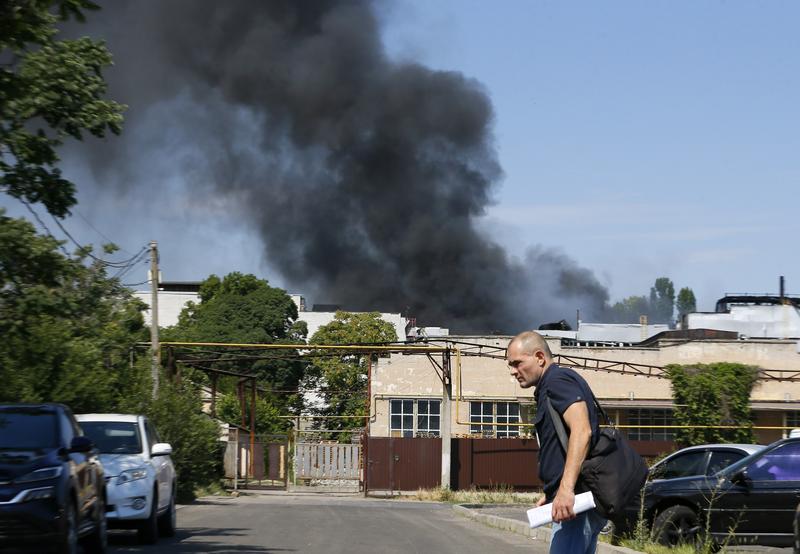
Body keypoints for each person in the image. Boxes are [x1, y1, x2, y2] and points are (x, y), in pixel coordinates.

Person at [506, 330, 606, 554]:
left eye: (517, 363)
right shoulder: (552, 385)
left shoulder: (557, 382)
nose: (513, 371)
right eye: (510, 365)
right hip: (573, 501)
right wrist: (553, 491)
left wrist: (565, 489)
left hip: (575, 504)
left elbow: (582, 431)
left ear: (540, 357)